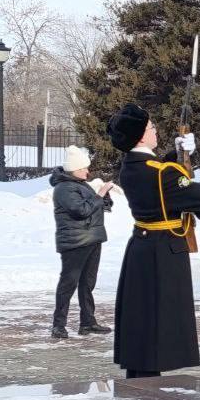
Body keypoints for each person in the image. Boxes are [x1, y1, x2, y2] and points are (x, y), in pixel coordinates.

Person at [107, 103, 200, 378]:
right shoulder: (160, 173)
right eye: (151, 127)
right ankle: (147, 382)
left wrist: (180, 154)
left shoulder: (133, 165)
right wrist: (181, 164)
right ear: (141, 136)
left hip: (141, 246)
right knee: (159, 319)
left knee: (141, 317)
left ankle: (140, 374)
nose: (155, 130)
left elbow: (159, 176)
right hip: (163, 249)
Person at [49, 145, 114, 340]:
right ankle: (58, 325)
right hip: (76, 242)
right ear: (75, 169)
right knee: (68, 284)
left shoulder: (80, 184)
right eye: (84, 168)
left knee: (87, 283)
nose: (88, 171)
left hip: (92, 238)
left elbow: (100, 206)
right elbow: (81, 210)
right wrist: (99, 195)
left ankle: (88, 322)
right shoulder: (63, 188)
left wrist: (105, 198)